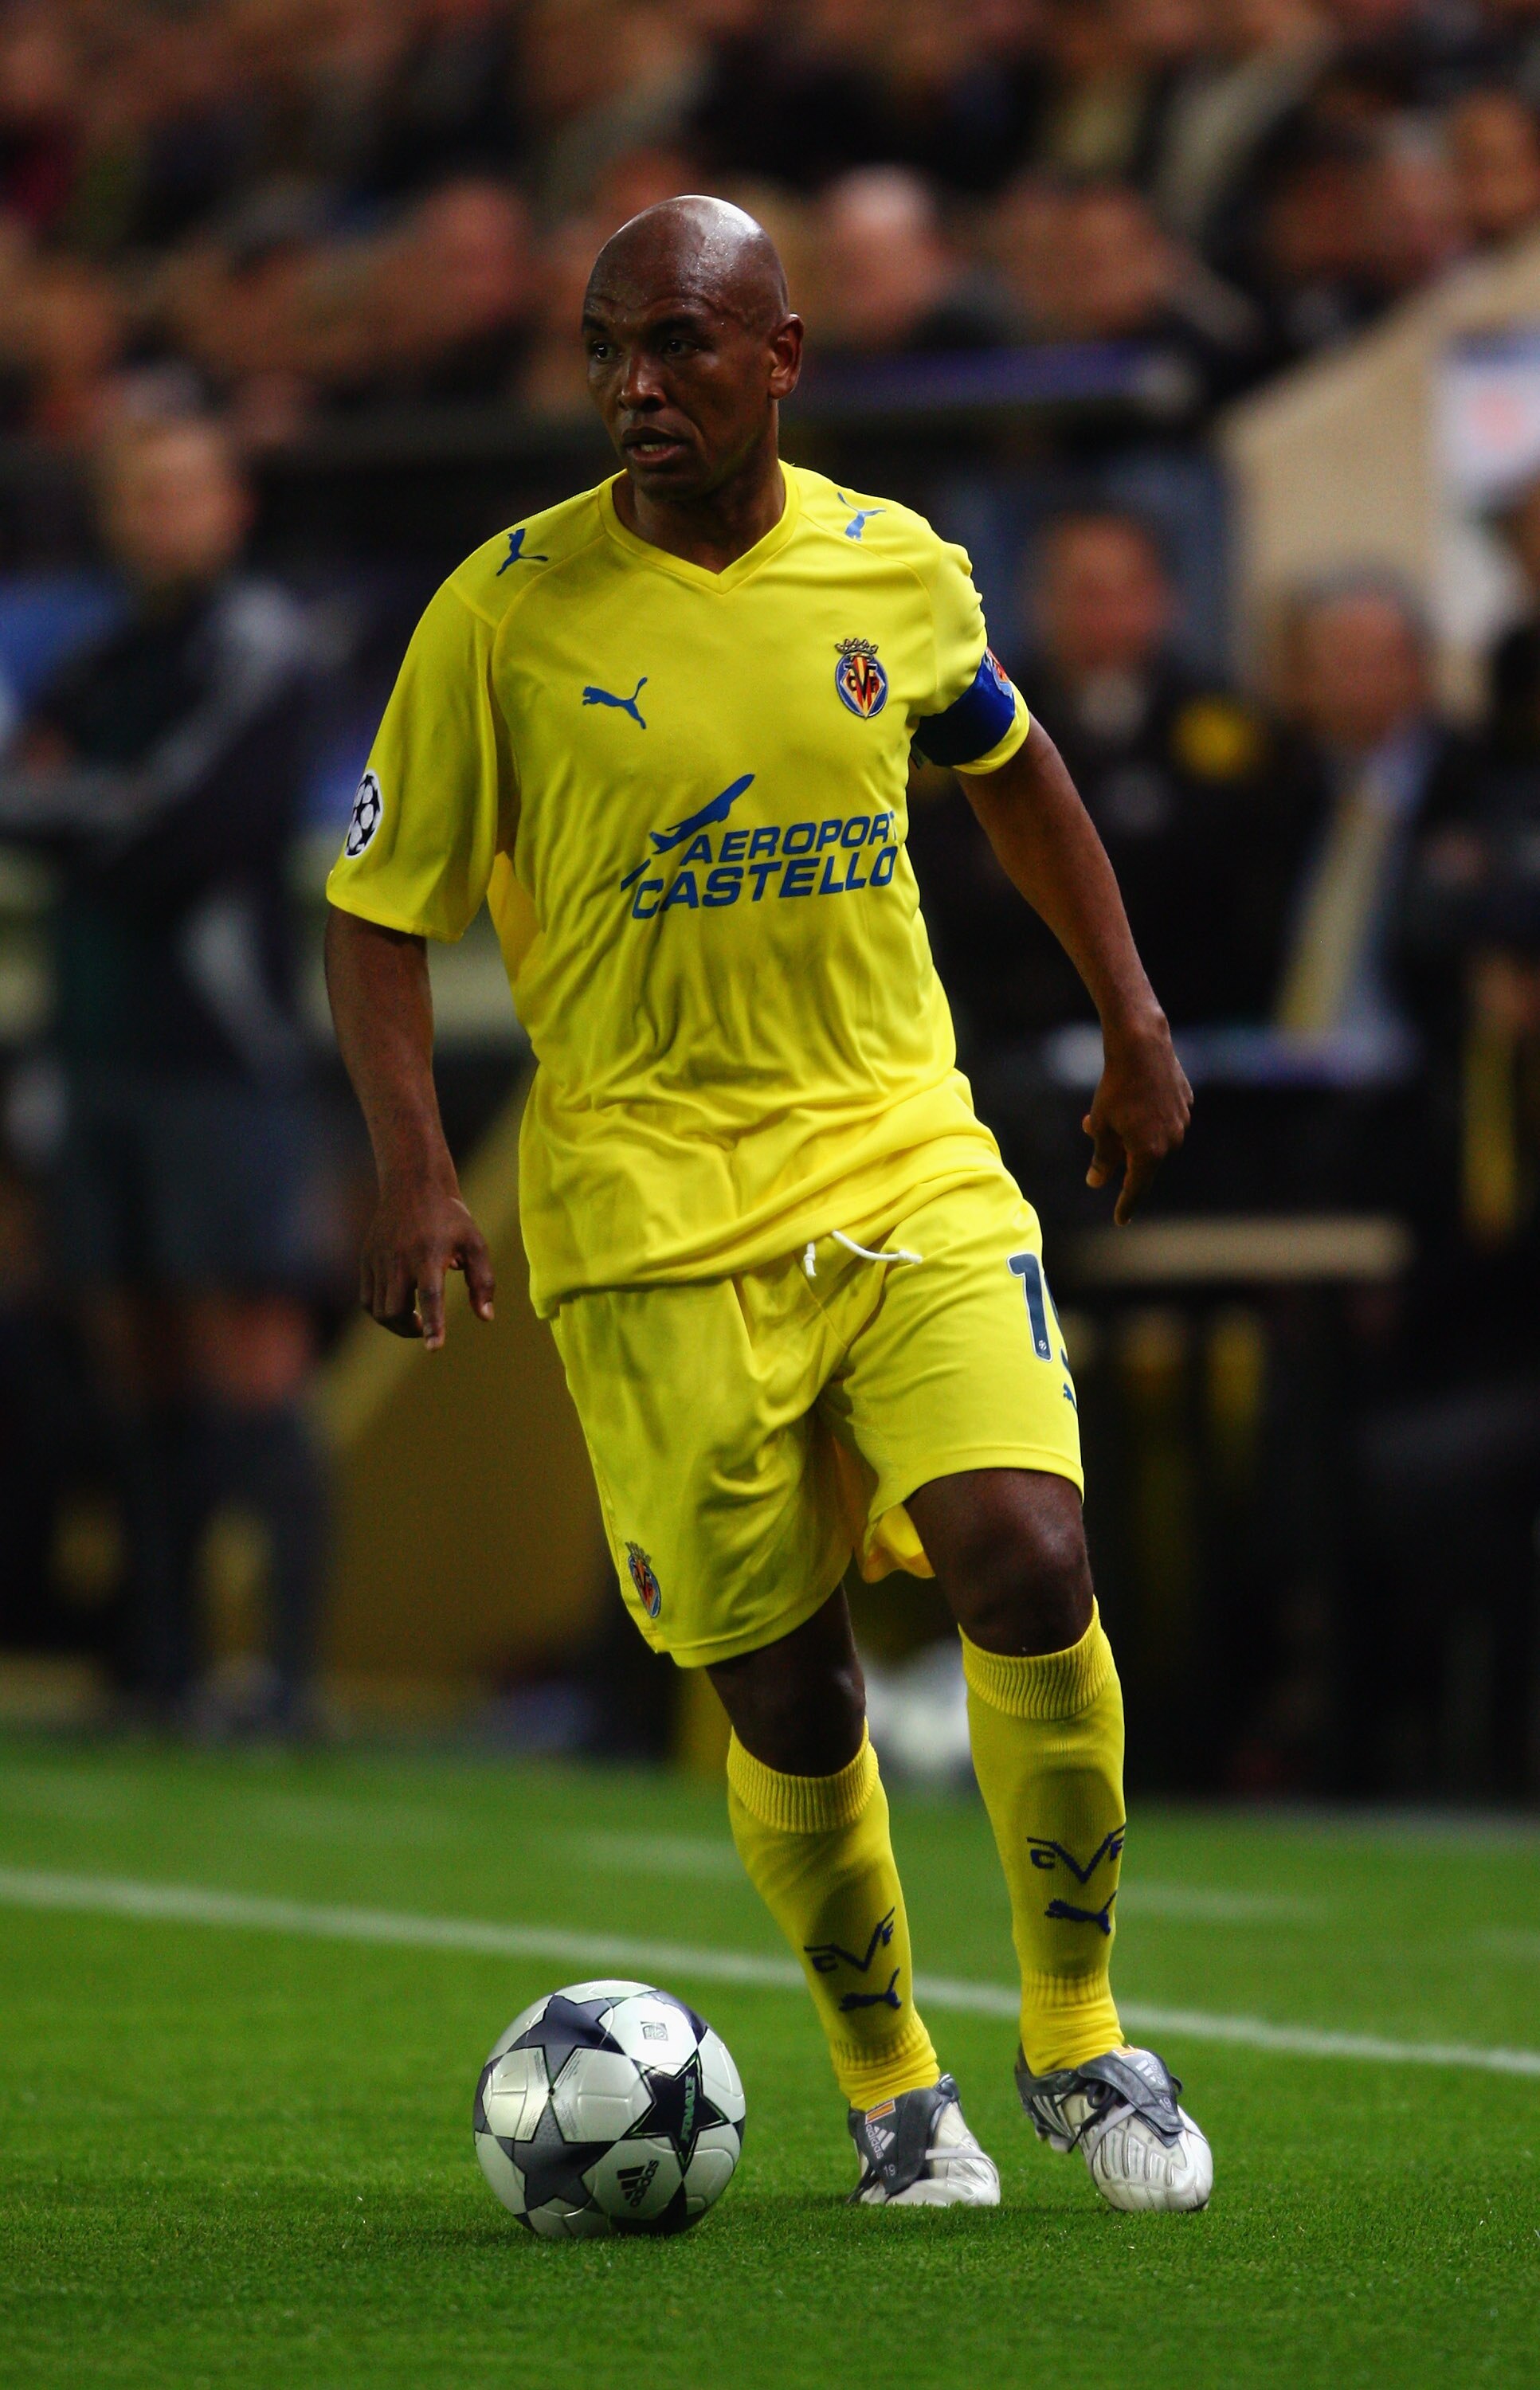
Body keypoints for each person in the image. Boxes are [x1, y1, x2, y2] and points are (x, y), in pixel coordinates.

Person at [324, 196, 1212, 2213]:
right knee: (790, 1684)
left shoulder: (893, 566)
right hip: (643, 1206)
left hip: (898, 1142)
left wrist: (1131, 1012)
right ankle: (894, 2080)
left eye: (683, 346)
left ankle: (1078, 2032)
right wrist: (410, 1167)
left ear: (784, 356)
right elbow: (379, 912)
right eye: (606, 347)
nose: (637, 384)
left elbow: (1010, 758)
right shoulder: (499, 610)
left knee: (1026, 1547)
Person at [11, 413, 324, 1733]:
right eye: (138, 492)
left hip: (219, 1054)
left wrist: (88, 809)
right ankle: (163, 1660)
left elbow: (191, 829)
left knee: (242, 1348)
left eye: (183, 490)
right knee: (129, 1349)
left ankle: (286, 1679)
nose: (160, 516)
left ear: (231, 506)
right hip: (98, 1048)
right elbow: (34, 803)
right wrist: (98, 810)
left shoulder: (263, 650)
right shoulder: (95, 665)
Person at [913, 506, 1318, 1044]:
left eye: (1127, 592)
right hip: (1015, 1041)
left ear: (1165, 600)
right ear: (1040, 601)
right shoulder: (976, 720)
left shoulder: (1230, 737)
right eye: (1084, 594)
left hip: (1193, 1044)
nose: (1106, 617)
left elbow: (1253, 907)